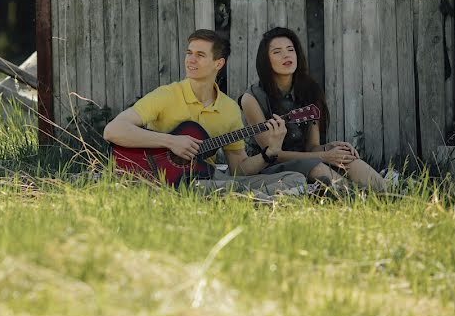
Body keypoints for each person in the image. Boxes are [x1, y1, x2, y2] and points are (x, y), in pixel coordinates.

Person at [104, 29, 307, 197]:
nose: (190, 60)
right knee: (202, 189)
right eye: (189, 53)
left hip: (205, 179)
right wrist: (170, 141)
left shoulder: (229, 109)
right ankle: (252, 199)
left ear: (218, 64)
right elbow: (113, 130)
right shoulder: (166, 95)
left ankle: (243, 198)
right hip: (163, 179)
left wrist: (270, 152)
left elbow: (238, 170)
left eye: (200, 55)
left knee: (295, 178)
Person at [240, 27, 386, 191]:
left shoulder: (310, 90)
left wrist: (331, 148)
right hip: (267, 167)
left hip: (308, 159)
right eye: (277, 52)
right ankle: (355, 199)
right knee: (317, 167)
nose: (286, 55)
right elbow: (274, 154)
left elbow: (312, 146)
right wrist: (324, 156)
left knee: (346, 158)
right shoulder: (252, 98)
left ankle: (389, 194)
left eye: (290, 50)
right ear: (265, 60)